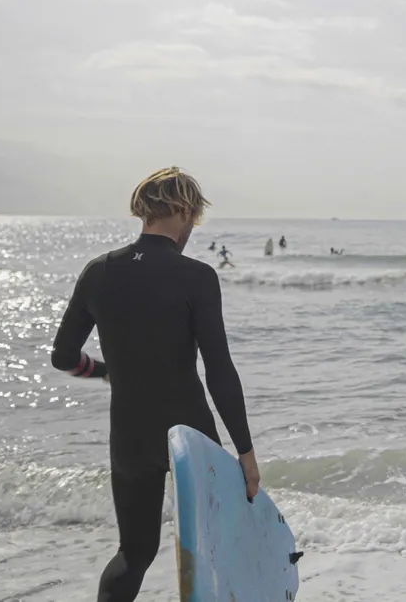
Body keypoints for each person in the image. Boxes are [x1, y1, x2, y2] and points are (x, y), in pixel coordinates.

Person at [50, 167, 260, 602]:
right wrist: (245, 451)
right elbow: (219, 370)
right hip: (190, 434)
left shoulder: (98, 271)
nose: (192, 228)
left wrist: (106, 371)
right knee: (219, 548)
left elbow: (63, 357)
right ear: (183, 211)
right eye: (194, 217)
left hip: (130, 435)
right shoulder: (196, 276)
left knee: (134, 552)